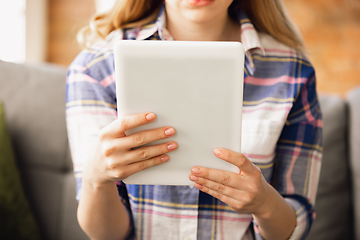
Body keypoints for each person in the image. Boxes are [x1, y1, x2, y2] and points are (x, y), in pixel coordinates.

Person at [65, 0, 322, 239]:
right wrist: (95, 178)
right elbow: (107, 234)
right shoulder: (95, 69)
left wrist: (265, 204)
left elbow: (296, 219)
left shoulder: (294, 73)